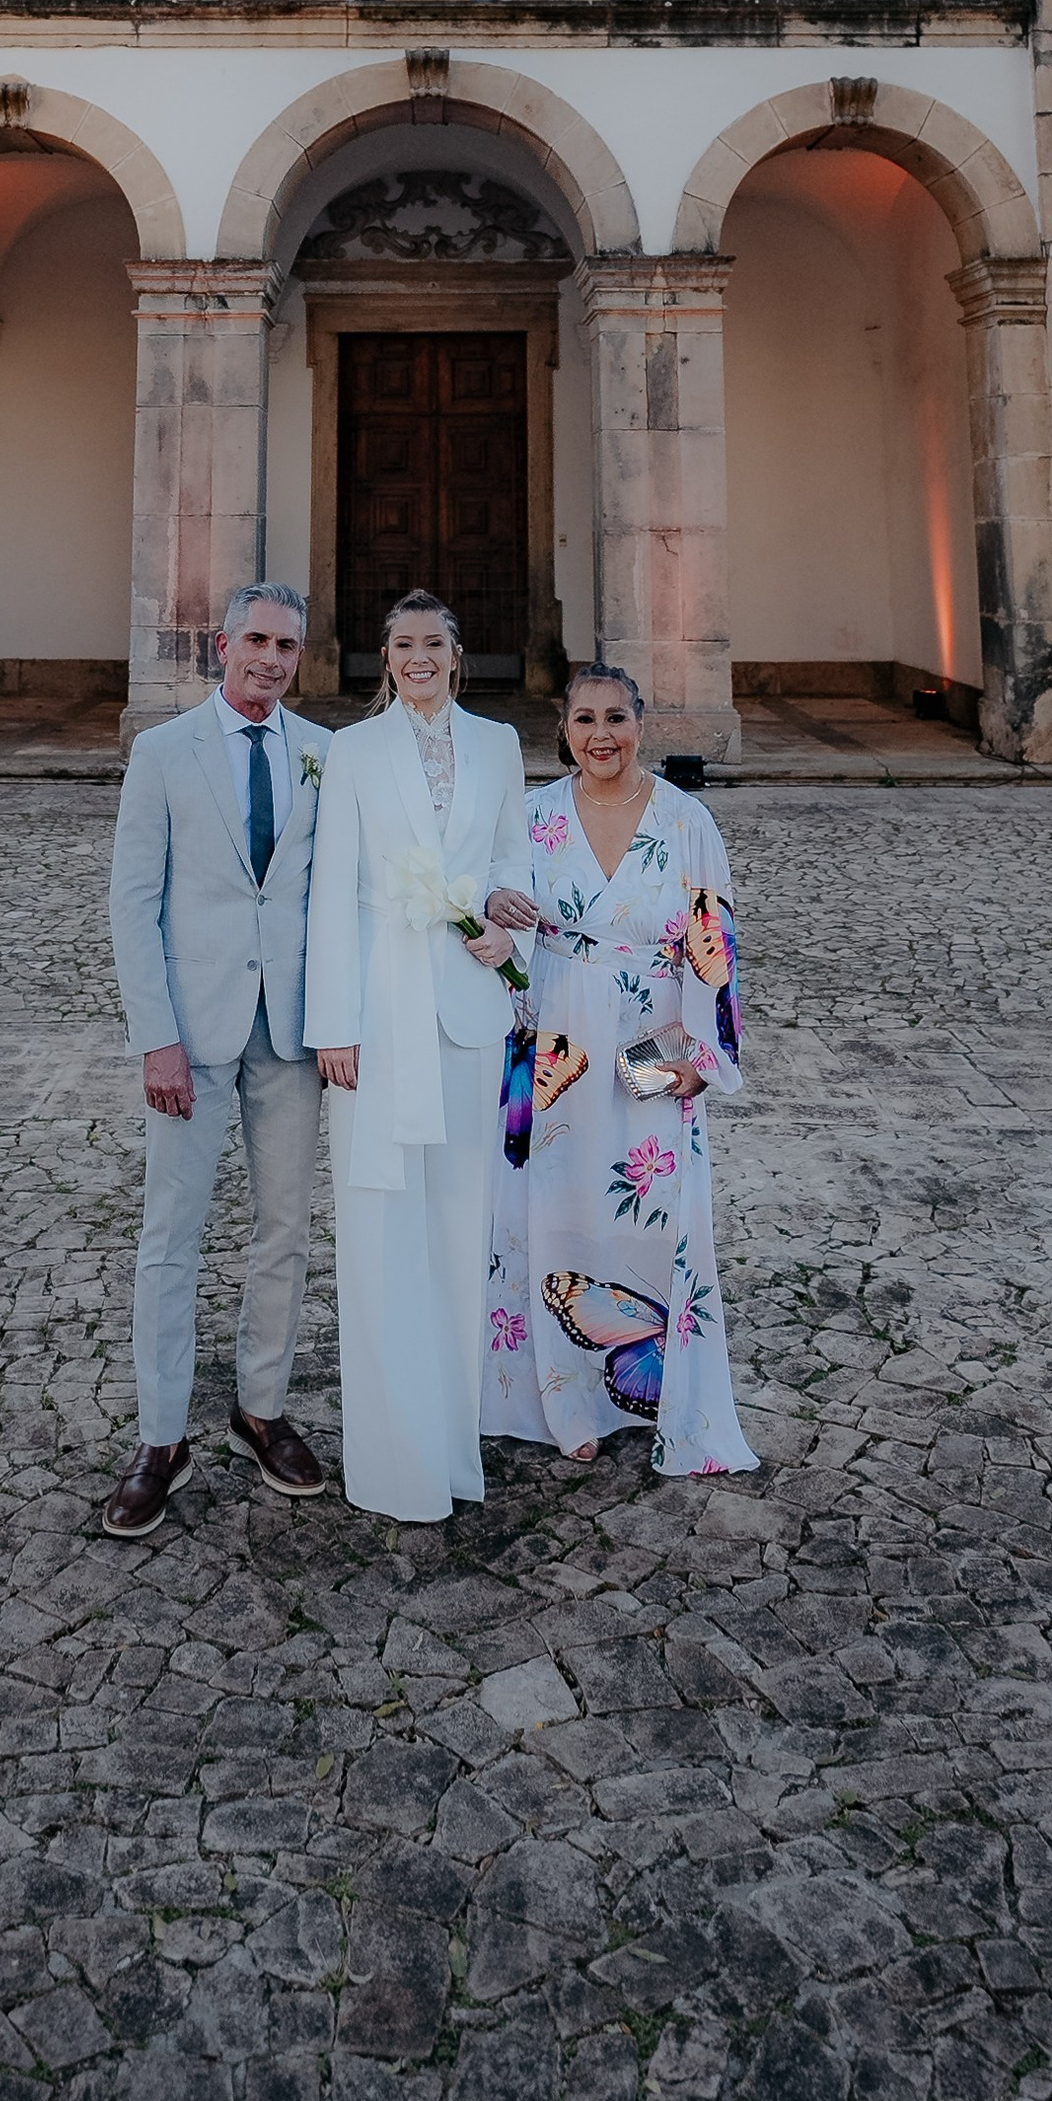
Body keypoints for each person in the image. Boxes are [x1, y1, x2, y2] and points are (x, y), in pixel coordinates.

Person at [482, 661, 757, 1479]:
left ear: (642, 723)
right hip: (551, 1037)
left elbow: (716, 939)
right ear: (562, 731)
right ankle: (556, 1402)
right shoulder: (529, 816)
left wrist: (704, 1061)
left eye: (616, 718)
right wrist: (496, 912)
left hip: (650, 1039)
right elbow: (495, 910)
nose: (601, 736)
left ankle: (653, 1395)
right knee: (546, 1215)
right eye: (584, 721)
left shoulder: (684, 821)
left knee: (648, 1216)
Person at [102, 583, 332, 1539]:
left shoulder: (324, 755)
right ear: (221, 645)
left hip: (291, 1033)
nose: (271, 659)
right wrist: (155, 1036)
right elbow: (132, 902)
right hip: (189, 1036)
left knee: (282, 1228)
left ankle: (260, 1409)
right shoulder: (161, 753)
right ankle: (161, 1439)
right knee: (172, 1236)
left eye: (287, 646)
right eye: (257, 641)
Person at [305, 592, 529, 1520]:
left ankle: (453, 1444)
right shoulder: (349, 751)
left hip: (468, 1015)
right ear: (385, 657)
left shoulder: (499, 745)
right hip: (379, 1016)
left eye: (434, 643)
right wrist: (334, 1027)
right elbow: (331, 892)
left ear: (457, 652)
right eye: (402, 644)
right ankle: (392, 1456)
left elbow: (518, 855)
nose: (418, 657)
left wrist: (508, 938)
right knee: (379, 1233)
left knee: (456, 1229)